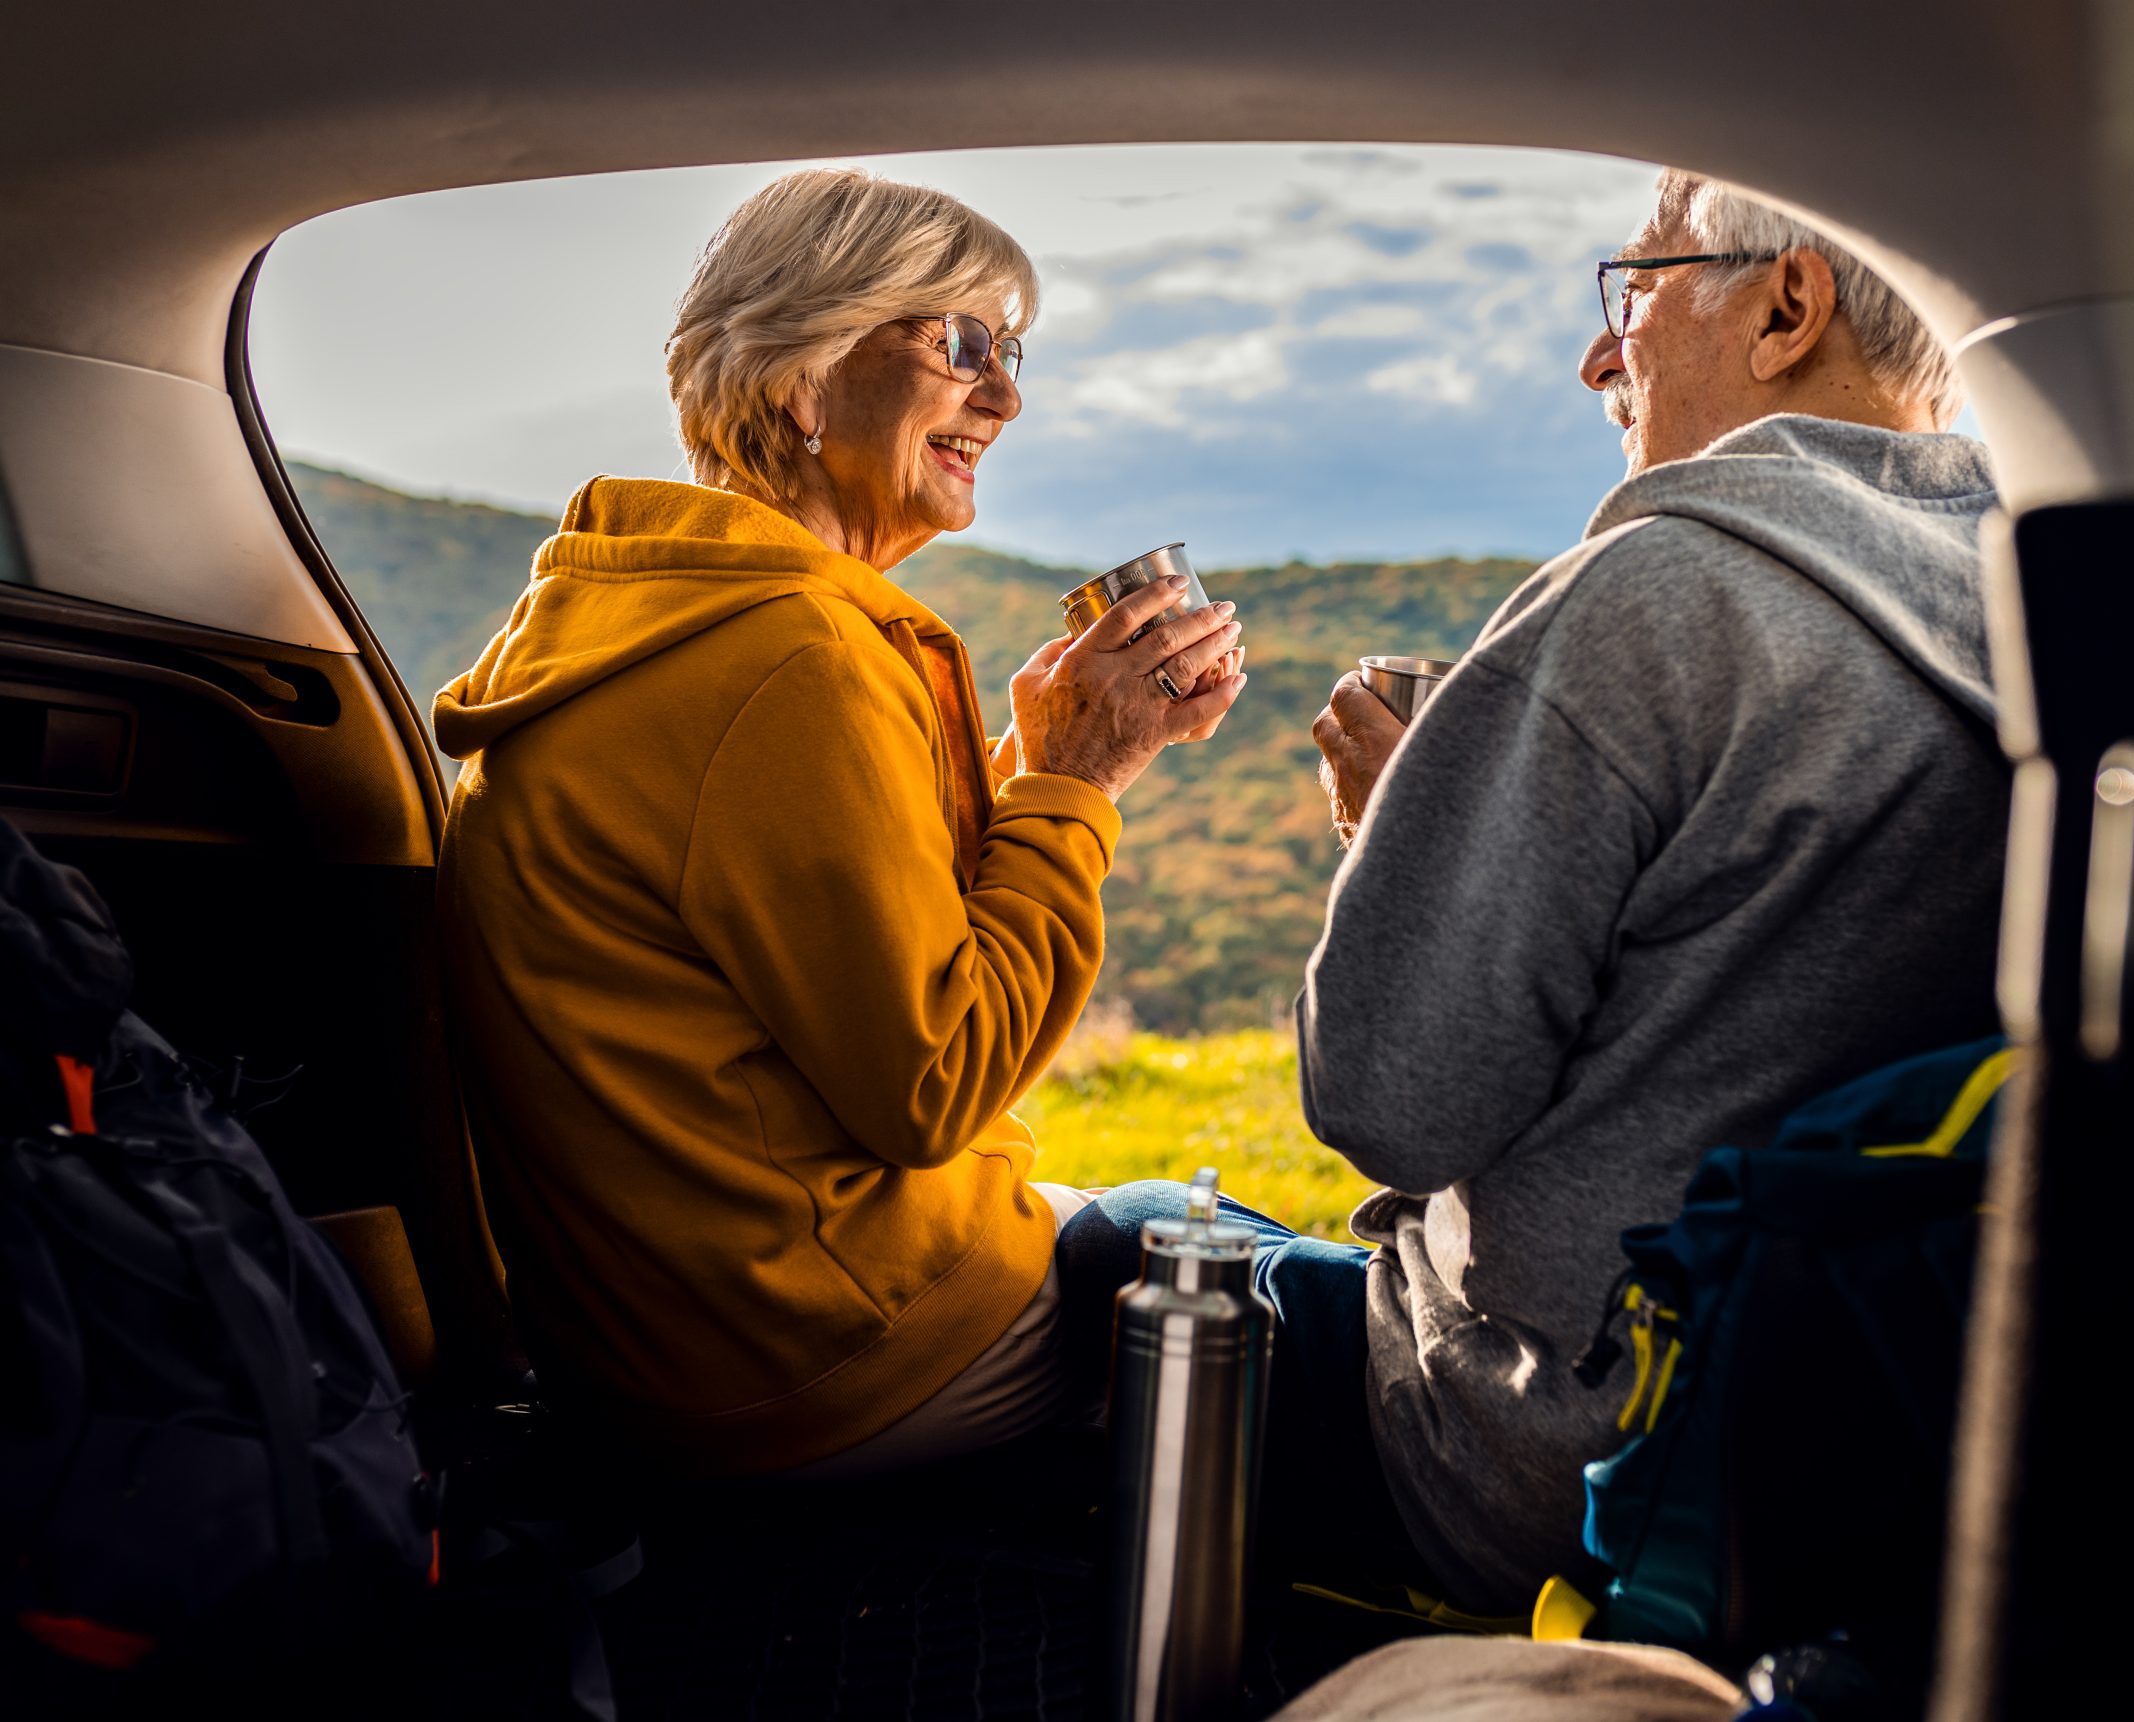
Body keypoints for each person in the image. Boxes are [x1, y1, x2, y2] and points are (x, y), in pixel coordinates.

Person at [1063, 169, 2009, 1608]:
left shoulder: (1648, 595)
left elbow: (1385, 1104)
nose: (1597, 357)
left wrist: (1394, 840)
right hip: (1860, 1429)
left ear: (1785, 305)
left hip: (1558, 1452)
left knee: (1108, 1235)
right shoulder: (2022, 600)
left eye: (1630, 291)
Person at [433, 168, 1246, 1478]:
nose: (1007, 395)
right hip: (816, 1354)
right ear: (806, 376)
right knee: (1272, 1300)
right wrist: (1075, 788)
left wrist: (1031, 757)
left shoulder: (659, 623)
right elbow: (939, 1078)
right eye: (960, 344)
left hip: (669, 1338)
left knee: (1158, 1217)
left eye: (1011, 350)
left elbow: (814, 913)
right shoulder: (789, 659)